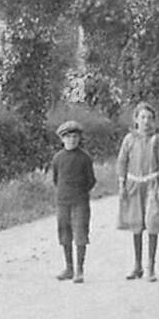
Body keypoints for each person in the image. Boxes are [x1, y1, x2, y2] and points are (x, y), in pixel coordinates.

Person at [117, 101, 159, 281]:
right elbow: (122, 161)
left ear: (154, 121)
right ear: (136, 119)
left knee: (152, 222)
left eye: (149, 118)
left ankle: (151, 267)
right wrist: (122, 184)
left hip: (152, 184)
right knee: (136, 224)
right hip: (133, 185)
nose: (146, 121)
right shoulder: (129, 139)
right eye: (142, 117)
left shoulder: (157, 139)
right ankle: (137, 265)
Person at [51, 120, 96, 284]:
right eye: (68, 137)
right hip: (63, 201)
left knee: (80, 233)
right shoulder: (57, 158)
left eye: (75, 136)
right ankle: (69, 267)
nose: (72, 140)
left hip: (80, 202)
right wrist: (65, 193)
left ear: (79, 139)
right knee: (64, 233)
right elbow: (56, 179)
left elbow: (91, 180)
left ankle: (79, 269)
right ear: (62, 139)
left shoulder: (85, 158)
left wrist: (81, 192)